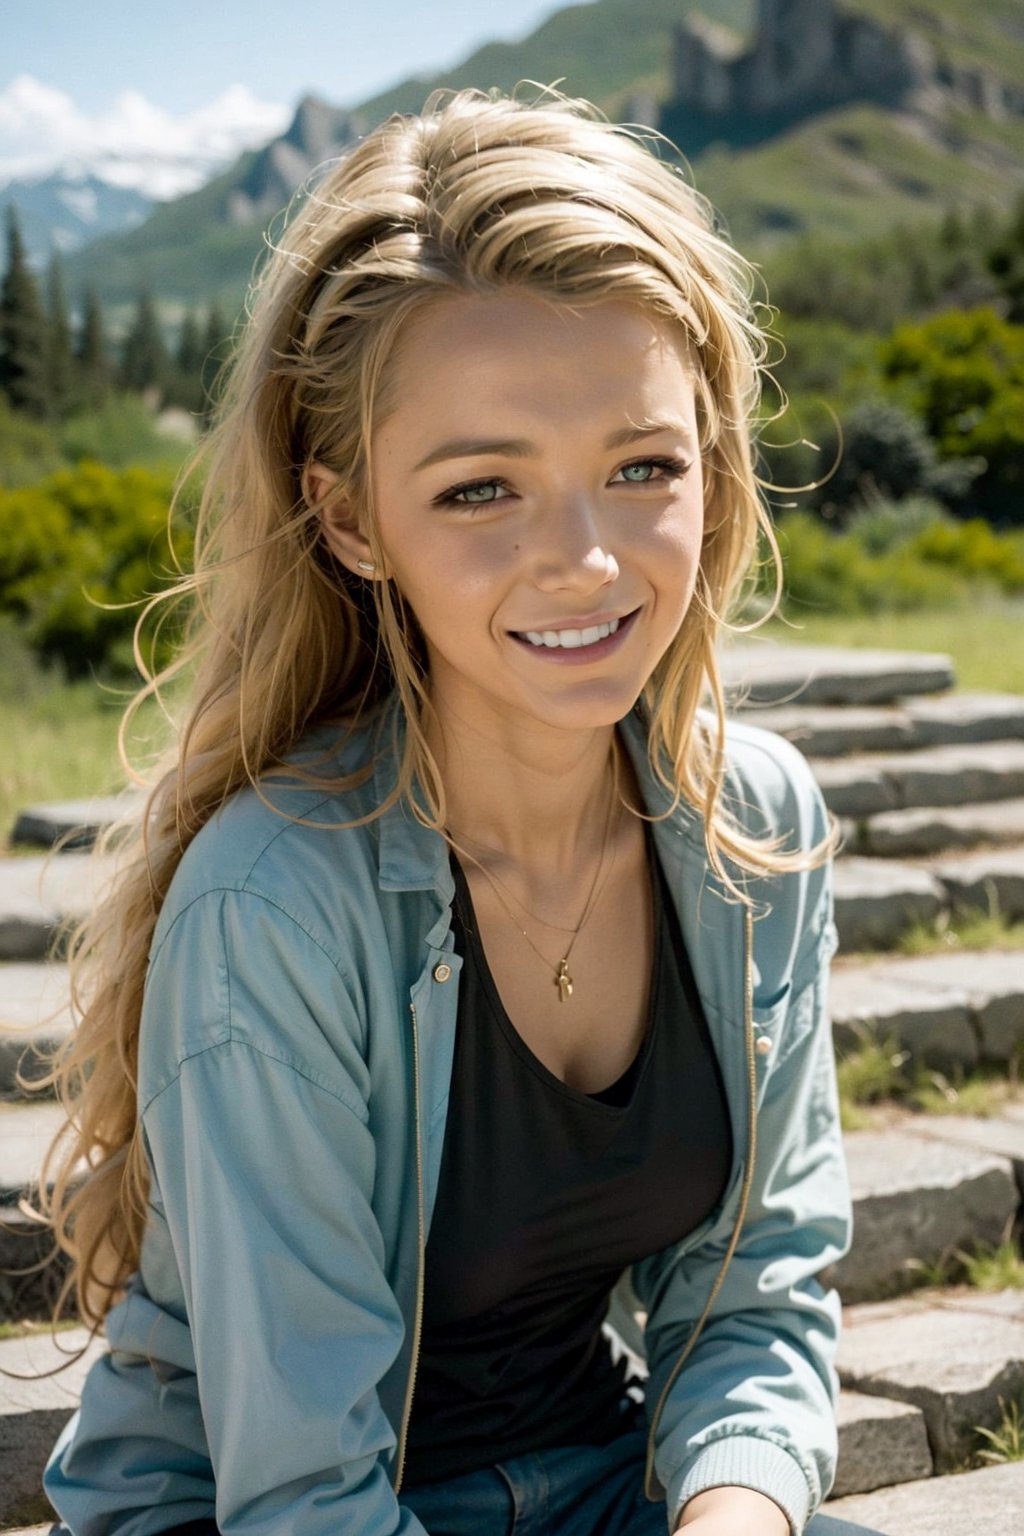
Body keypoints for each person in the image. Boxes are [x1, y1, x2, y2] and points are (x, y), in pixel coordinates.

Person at [38, 89, 881, 1536]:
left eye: (643, 468)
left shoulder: (754, 829)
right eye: (483, 487)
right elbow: (301, 1492)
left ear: (716, 464)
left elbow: (760, 1287)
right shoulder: (272, 904)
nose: (586, 560)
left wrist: (731, 1514)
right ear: (352, 518)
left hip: (600, 1489)